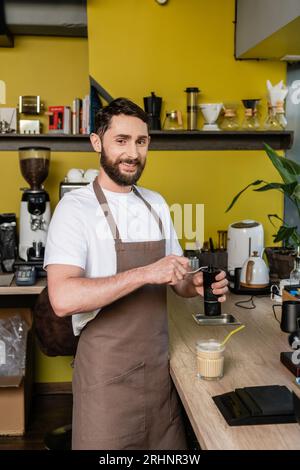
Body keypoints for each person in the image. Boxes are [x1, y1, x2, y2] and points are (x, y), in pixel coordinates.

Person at [44, 98, 228, 450]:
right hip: (106, 383)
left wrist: (196, 283)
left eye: (141, 142)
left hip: (160, 376)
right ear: (97, 142)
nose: (132, 152)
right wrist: (145, 273)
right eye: (121, 140)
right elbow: (63, 299)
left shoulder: (155, 203)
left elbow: (177, 279)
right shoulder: (75, 209)